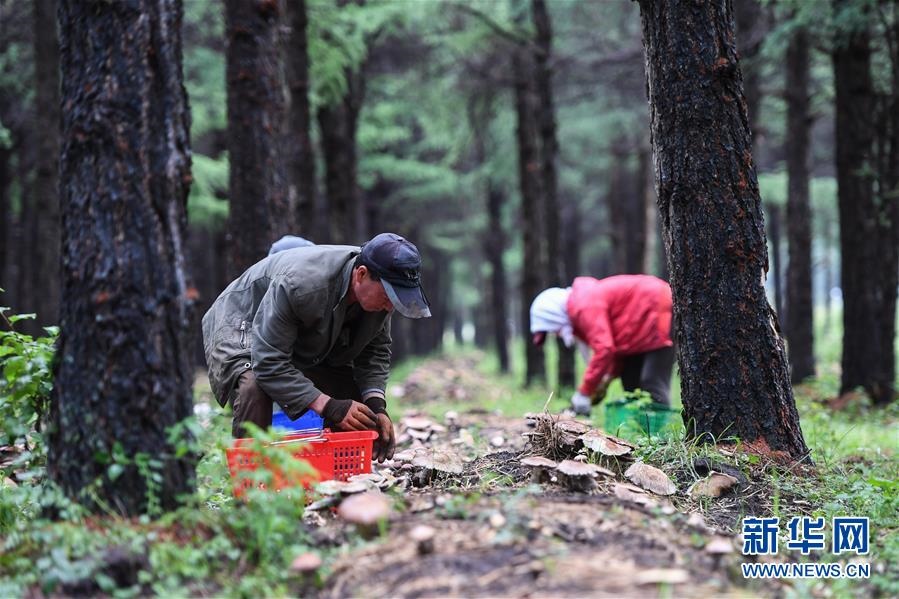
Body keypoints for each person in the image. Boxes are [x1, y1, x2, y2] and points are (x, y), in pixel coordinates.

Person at [202, 232, 431, 462]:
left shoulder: (378, 291)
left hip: (293, 327)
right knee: (254, 386)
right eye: (389, 296)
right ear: (361, 274)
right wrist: (328, 405)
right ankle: (251, 474)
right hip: (241, 319)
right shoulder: (303, 285)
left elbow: (374, 352)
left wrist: (376, 406)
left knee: (352, 400)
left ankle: (337, 473)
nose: (390, 306)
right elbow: (269, 362)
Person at [529, 274, 674, 416]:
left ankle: (661, 431)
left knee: (652, 382)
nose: (557, 334)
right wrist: (606, 379)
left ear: (554, 317)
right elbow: (616, 347)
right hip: (640, 327)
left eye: (554, 330)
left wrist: (585, 392)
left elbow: (605, 349)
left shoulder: (585, 305)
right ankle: (642, 429)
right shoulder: (583, 304)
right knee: (630, 381)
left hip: (656, 307)